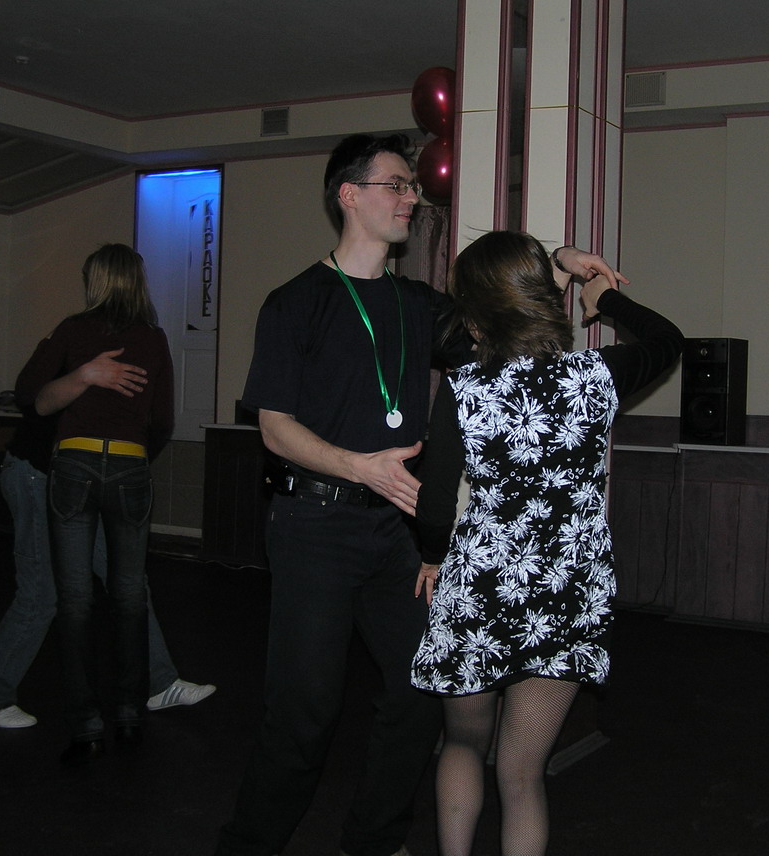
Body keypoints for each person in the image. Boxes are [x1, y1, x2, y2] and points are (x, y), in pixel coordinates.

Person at [215, 134, 620, 856]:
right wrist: (358, 466)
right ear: (350, 195)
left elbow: (505, 299)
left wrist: (558, 261)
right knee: (305, 712)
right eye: (397, 185)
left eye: (411, 187)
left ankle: (373, 841)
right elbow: (274, 429)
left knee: (417, 697)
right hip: (315, 524)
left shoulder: (423, 305)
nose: (412, 198)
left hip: (397, 533)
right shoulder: (295, 303)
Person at [409, 230, 685, 856]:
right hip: (566, 591)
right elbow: (669, 340)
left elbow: (435, 500)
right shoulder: (597, 376)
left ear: (475, 312)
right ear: (542, 295)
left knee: (462, 745)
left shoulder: (465, 387)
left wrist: (431, 556)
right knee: (523, 772)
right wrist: (603, 299)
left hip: (481, 587)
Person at [13, 243, 177, 765]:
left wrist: (81, 376)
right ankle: (128, 714)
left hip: (74, 464)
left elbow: (29, 395)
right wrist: (134, 453)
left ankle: (85, 724)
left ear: (97, 281)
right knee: (129, 596)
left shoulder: (72, 330)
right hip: (129, 464)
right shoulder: (153, 338)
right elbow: (163, 421)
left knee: (76, 600)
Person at [0, 403, 215, 731]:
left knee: (128, 583)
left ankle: (160, 684)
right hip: (38, 475)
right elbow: (42, 405)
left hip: (76, 479)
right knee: (39, 597)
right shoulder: (77, 376)